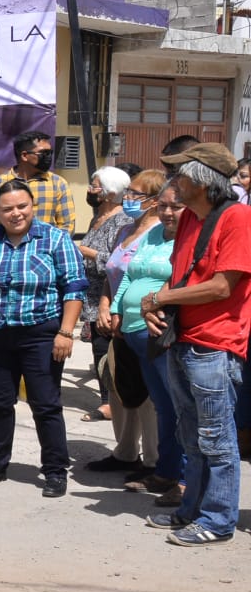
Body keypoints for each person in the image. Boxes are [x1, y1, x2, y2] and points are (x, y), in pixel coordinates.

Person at [142, 142, 251, 546]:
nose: (174, 181)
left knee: (217, 438)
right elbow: (180, 274)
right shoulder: (188, 219)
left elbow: (223, 285)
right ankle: (191, 511)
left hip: (216, 344)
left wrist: (162, 299)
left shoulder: (238, 218)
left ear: (202, 180)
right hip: (183, 340)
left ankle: (218, 520)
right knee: (192, 435)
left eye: (181, 174)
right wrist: (156, 303)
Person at [0, 179, 87, 497]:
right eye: (7, 209)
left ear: (32, 206)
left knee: (45, 405)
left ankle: (55, 471)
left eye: (22, 206)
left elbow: (74, 287)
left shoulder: (55, 239)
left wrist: (66, 332)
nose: (16, 213)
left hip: (41, 335)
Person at [104, 178, 183, 500]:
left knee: (177, 408)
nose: (166, 212)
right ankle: (164, 472)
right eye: (162, 205)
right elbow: (131, 273)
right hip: (134, 332)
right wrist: (120, 307)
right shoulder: (151, 234)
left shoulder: (189, 240)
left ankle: (180, 478)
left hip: (162, 333)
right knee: (162, 407)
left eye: (175, 206)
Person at [91, 169, 169, 485]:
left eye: (136, 193)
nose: (128, 198)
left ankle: (153, 460)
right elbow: (114, 274)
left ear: (154, 200)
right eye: (128, 192)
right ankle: (124, 452)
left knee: (150, 395)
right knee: (118, 386)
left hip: (144, 324)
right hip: (116, 322)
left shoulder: (162, 234)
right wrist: (106, 306)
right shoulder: (125, 230)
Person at [78, 166, 134, 422]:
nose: (91, 190)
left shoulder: (122, 221)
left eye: (95, 186)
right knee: (99, 350)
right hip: (90, 296)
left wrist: (85, 252)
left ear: (111, 193)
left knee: (107, 350)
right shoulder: (97, 217)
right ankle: (107, 400)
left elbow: (118, 262)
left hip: (107, 295)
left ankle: (110, 402)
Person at [0, 131, 75, 233]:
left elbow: (67, 226)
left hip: (47, 248)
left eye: (50, 152)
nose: (49, 156)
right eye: (44, 153)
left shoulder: (58, 184)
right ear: (24, 155)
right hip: (6, 248)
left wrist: (49, 246)